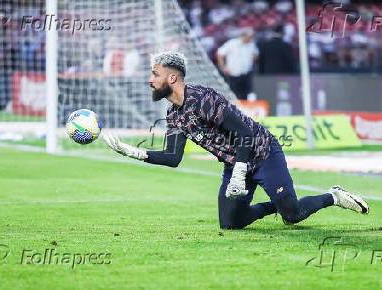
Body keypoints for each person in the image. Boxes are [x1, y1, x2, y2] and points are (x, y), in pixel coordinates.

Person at [102, 51, 369, 229]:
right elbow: (173, 158)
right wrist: (132, 152)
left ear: (171, 78)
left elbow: (246, 133)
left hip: (262, 153)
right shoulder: (174, 114)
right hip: (236, 163)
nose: (150, 80)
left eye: (154, 74)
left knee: (293, 215)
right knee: (230, 223)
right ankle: (273, 204)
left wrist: (239, 174)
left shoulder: (202, 98)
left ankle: (333, 196)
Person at [217, 28, 258, 100]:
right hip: (233, 74)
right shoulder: (232, 43)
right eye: (249, 37)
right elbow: (220, 53)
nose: (250, 39)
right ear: (244, 36)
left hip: (246, 73)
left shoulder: (251, 45)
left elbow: (255, 55)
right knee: (233, 95)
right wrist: (223, 67)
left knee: (245, 95)